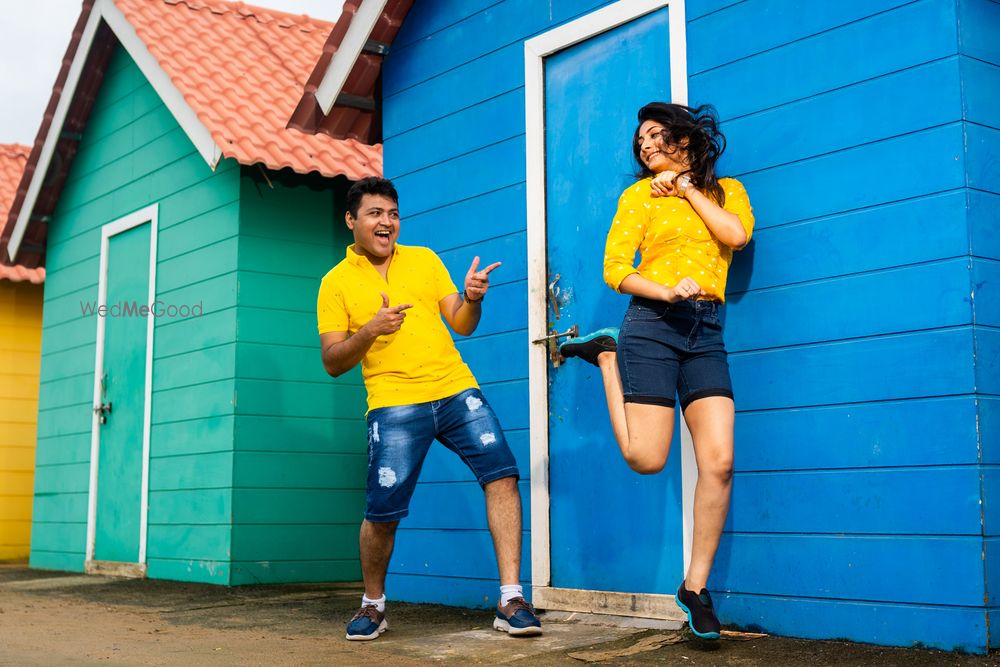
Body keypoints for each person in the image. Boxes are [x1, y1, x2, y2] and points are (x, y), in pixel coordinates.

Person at [559, 102, 754, 640]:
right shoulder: (636, 196)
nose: (644, 146)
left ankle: (694, 589)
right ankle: (605, 357)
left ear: (685, 139)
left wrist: (688, 187)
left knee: (720, 462)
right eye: (638, 140)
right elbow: (616, 269)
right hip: (652, 323)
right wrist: (666, 290)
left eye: (654, 135)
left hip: (706, 330)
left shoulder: (726, 191)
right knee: (646, 458)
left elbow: (735, 237)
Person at [317, 177, 542, 641]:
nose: (387, 222)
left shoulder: (423, 259)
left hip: (456, 389)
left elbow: (462, 323)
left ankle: (511, 599)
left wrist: (473, 298)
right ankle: (373, 605)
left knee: (502, 474)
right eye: (376, 213)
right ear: (351, 220)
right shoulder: (334, 283)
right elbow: (333, 361)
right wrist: (371, 331)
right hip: (394, 404)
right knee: (383, 511)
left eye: (393, 213)